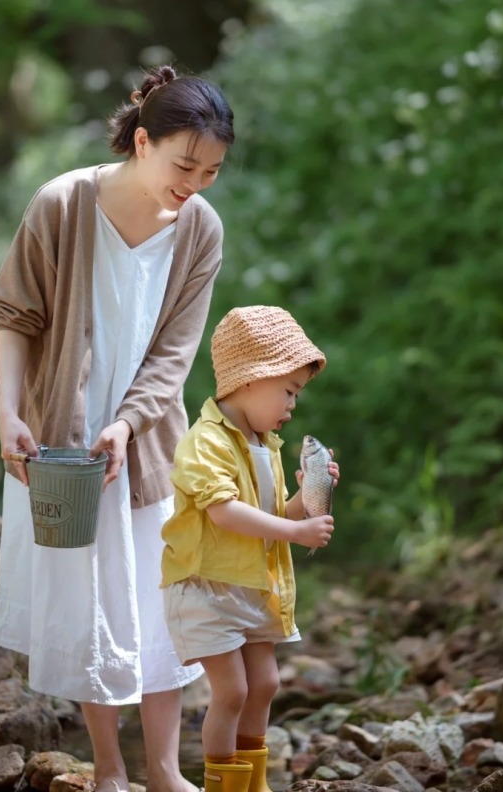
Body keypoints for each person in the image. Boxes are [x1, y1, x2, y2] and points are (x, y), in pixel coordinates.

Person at [0, 63, 235, 792]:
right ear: (140, 142)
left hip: (150, 440)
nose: (194, 182)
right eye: (184, 164)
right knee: (90, 599)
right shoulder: (63, 204)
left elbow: (174, 354)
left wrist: (128, 424)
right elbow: (15, 317)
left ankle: (163, 770)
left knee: (162, 604)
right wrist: (9, 411)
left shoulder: (199, 230)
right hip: (61, 444)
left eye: (213, 171)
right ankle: (108, 770)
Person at [160, 305, 339, 792]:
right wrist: (296, 533)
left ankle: (252, 783)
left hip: (255, 585)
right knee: (233, 689)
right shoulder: (205, 442)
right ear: (248, 380)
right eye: (288, 391)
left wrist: (304, 502)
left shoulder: (268, 445)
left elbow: (271, 516)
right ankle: (222, 783)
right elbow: (224, 512)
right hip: (208, 588)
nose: (292, 406)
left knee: (265, 684)